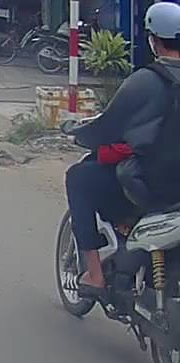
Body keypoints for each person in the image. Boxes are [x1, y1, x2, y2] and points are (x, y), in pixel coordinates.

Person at [66, 1, 180, 297]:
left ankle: (94, 275)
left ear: (153, 40)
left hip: (152, 184)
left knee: (78, 177)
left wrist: (77, 134)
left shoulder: (146, 81)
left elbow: (107, 128)